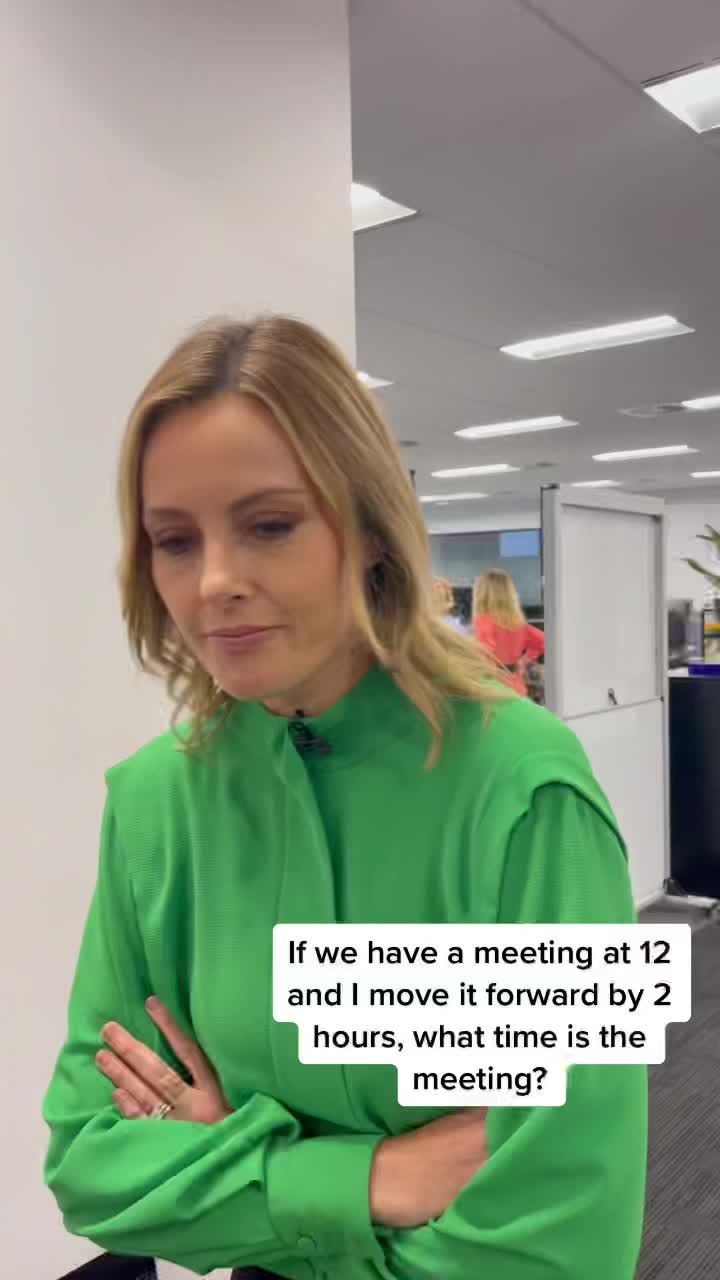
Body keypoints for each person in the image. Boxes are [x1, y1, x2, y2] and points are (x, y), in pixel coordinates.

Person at [42, 316, 647, 1280]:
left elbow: (561, 1234)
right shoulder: (154, 802)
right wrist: (378, 1176)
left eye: (269, 525)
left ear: (368, 529)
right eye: (174, 540)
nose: (214, 583)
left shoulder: (522, 790)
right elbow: (90, 1166)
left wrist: (231, 1164)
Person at [473, 568, 545, 697]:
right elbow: (543, 641)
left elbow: (485, 653)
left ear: (482, 593)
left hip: (494, 689)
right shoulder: (519, 623)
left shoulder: (483, 621)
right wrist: (524, 660)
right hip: (516, 687)